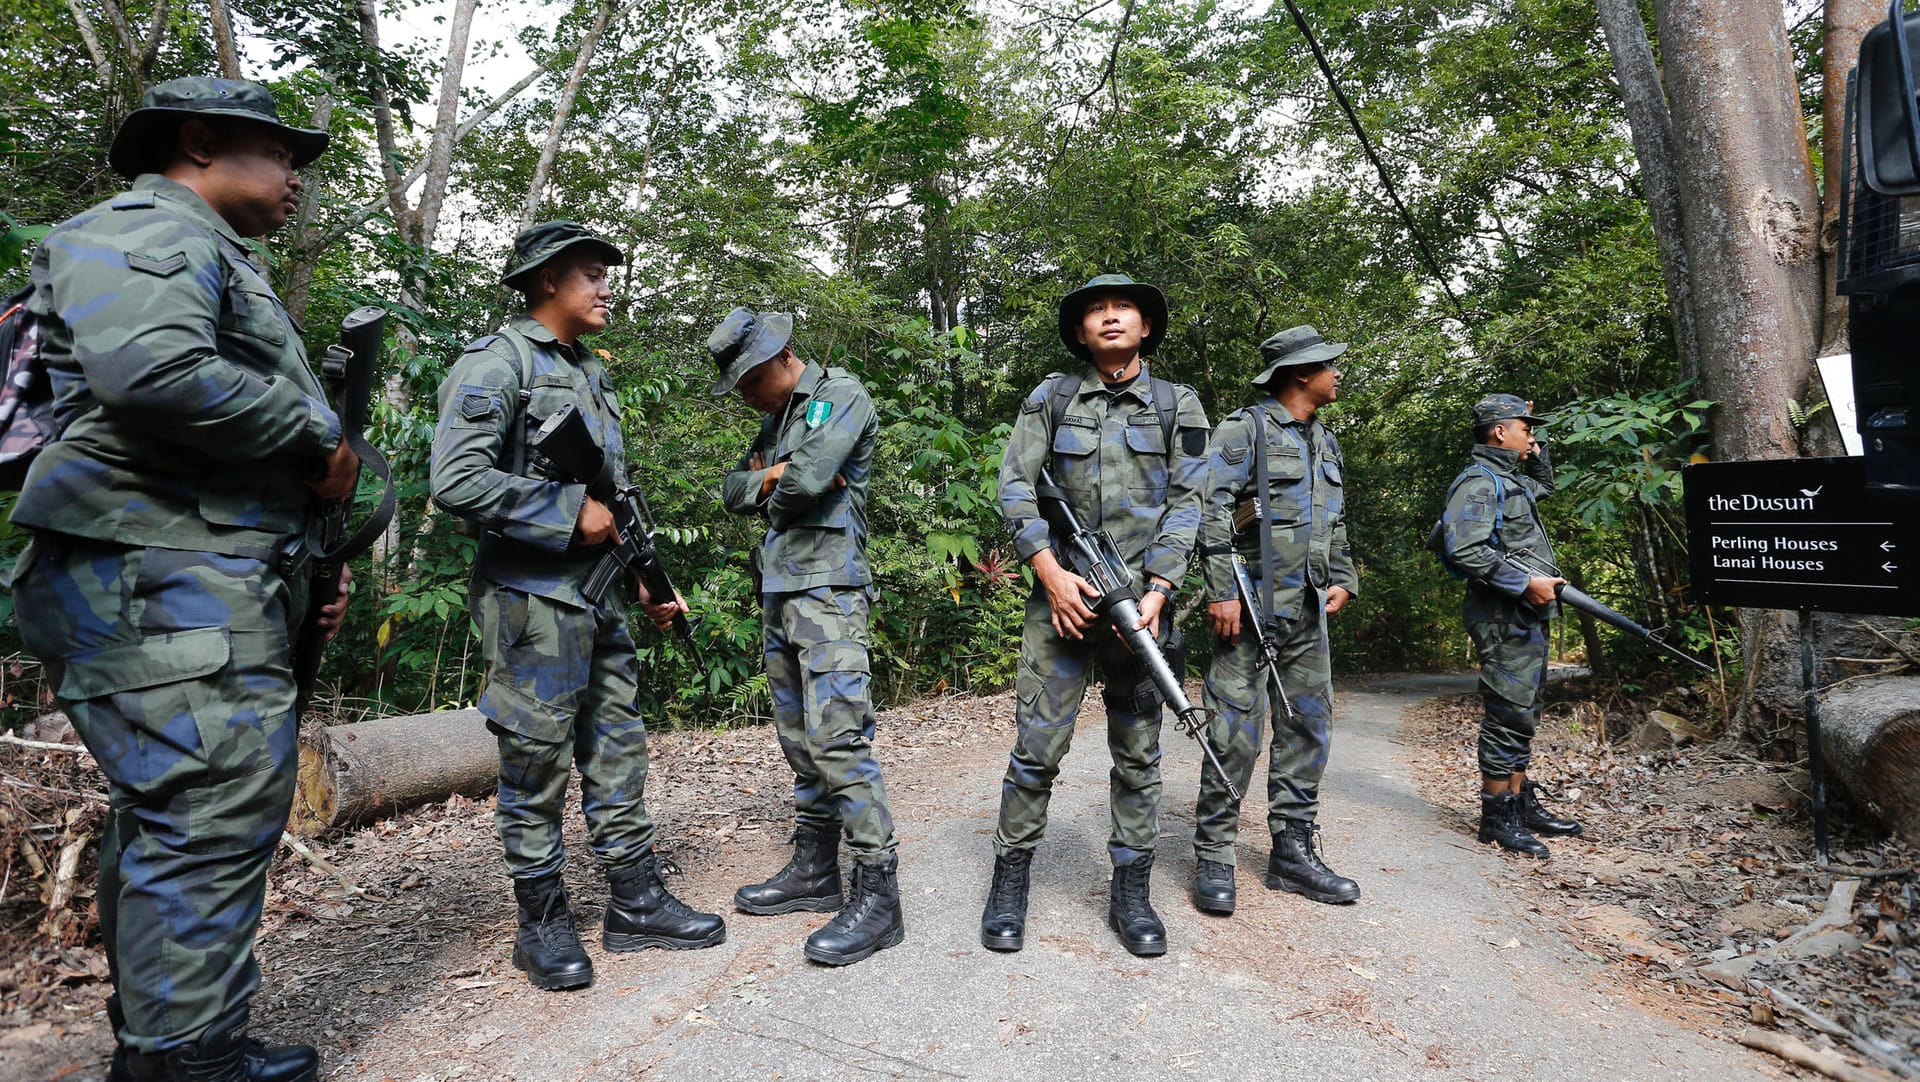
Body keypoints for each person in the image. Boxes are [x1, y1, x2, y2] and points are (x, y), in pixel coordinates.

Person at [7, 77, 354, 1080]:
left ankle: (174, 1045)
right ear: (200, 142)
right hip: (152, 576)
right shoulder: (145, 232)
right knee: (207, 808)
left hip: (184, 574)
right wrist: (318, 430)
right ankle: (183, 1063)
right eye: (283, 153)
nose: (296, 178)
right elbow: (151, 372)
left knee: (184, 811)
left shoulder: (202, 250)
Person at [431, 221, 724, 993]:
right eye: (590, 273)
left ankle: (634, 901)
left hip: (597, 600)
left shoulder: (589, 371)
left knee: (618, 752)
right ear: (546, 281)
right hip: (532, 604)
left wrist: (642, 575)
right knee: (534, 768)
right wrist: (566, 514)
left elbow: (610, 496)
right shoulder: (498, 365)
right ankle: (543, 924)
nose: (605, 286)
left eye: (605, 272)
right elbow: (456, 481)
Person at [979, 273, 1210, 957]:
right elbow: (1016, 488)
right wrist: (1049, 574)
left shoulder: (1177, 405)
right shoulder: (1051, 399)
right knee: (1036, 752)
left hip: (1141, 614)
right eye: (1097, 312)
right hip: (1062, 611)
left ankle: (1131, 891)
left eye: (1125, 308)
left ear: (1145, 326)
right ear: (1081, 332)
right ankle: (1009, 883)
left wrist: (1160, 589)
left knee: (1139, 756)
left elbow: (1190, 504)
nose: (1111, 318)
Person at [712, 307, 904, 966]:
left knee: (839, 735)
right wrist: (770, 476)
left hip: (830, 591)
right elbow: (733, 491)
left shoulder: (838, 396)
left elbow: (808, 484)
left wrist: (779, 479)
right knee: (798, 739)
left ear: (782, 356)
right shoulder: (778, 422)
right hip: (781, 588)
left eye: (747, 379)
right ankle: (817, 870)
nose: (744, 395)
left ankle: (879, 894)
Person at [1191, 326, 1361, 913]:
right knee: (1233, 732)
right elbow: (1207, 507)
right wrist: (1221, 590)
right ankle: (1214, 852)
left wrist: (1342, 578)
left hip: (1308, 611)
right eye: (1328, 365)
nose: (1338, 373)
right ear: (1299, 374)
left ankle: (1291, 851)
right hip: (1250, 606)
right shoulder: (1245, 429)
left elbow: (1334, 522)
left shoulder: (1325, 443)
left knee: (1309, 726)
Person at [1437, 393, 1584, 858]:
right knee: (1508, 715)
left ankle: (1519, 803)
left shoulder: (1507, 480)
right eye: (1526, 427)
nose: (1532, 434)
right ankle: (1497, 817)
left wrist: (1537, 455)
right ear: (1500, 432)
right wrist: (1524, 584)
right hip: (1502, 615)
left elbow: (1544, 488)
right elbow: (1465, 550)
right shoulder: (1479, 484)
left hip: (1522, 614)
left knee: (1524, 713)